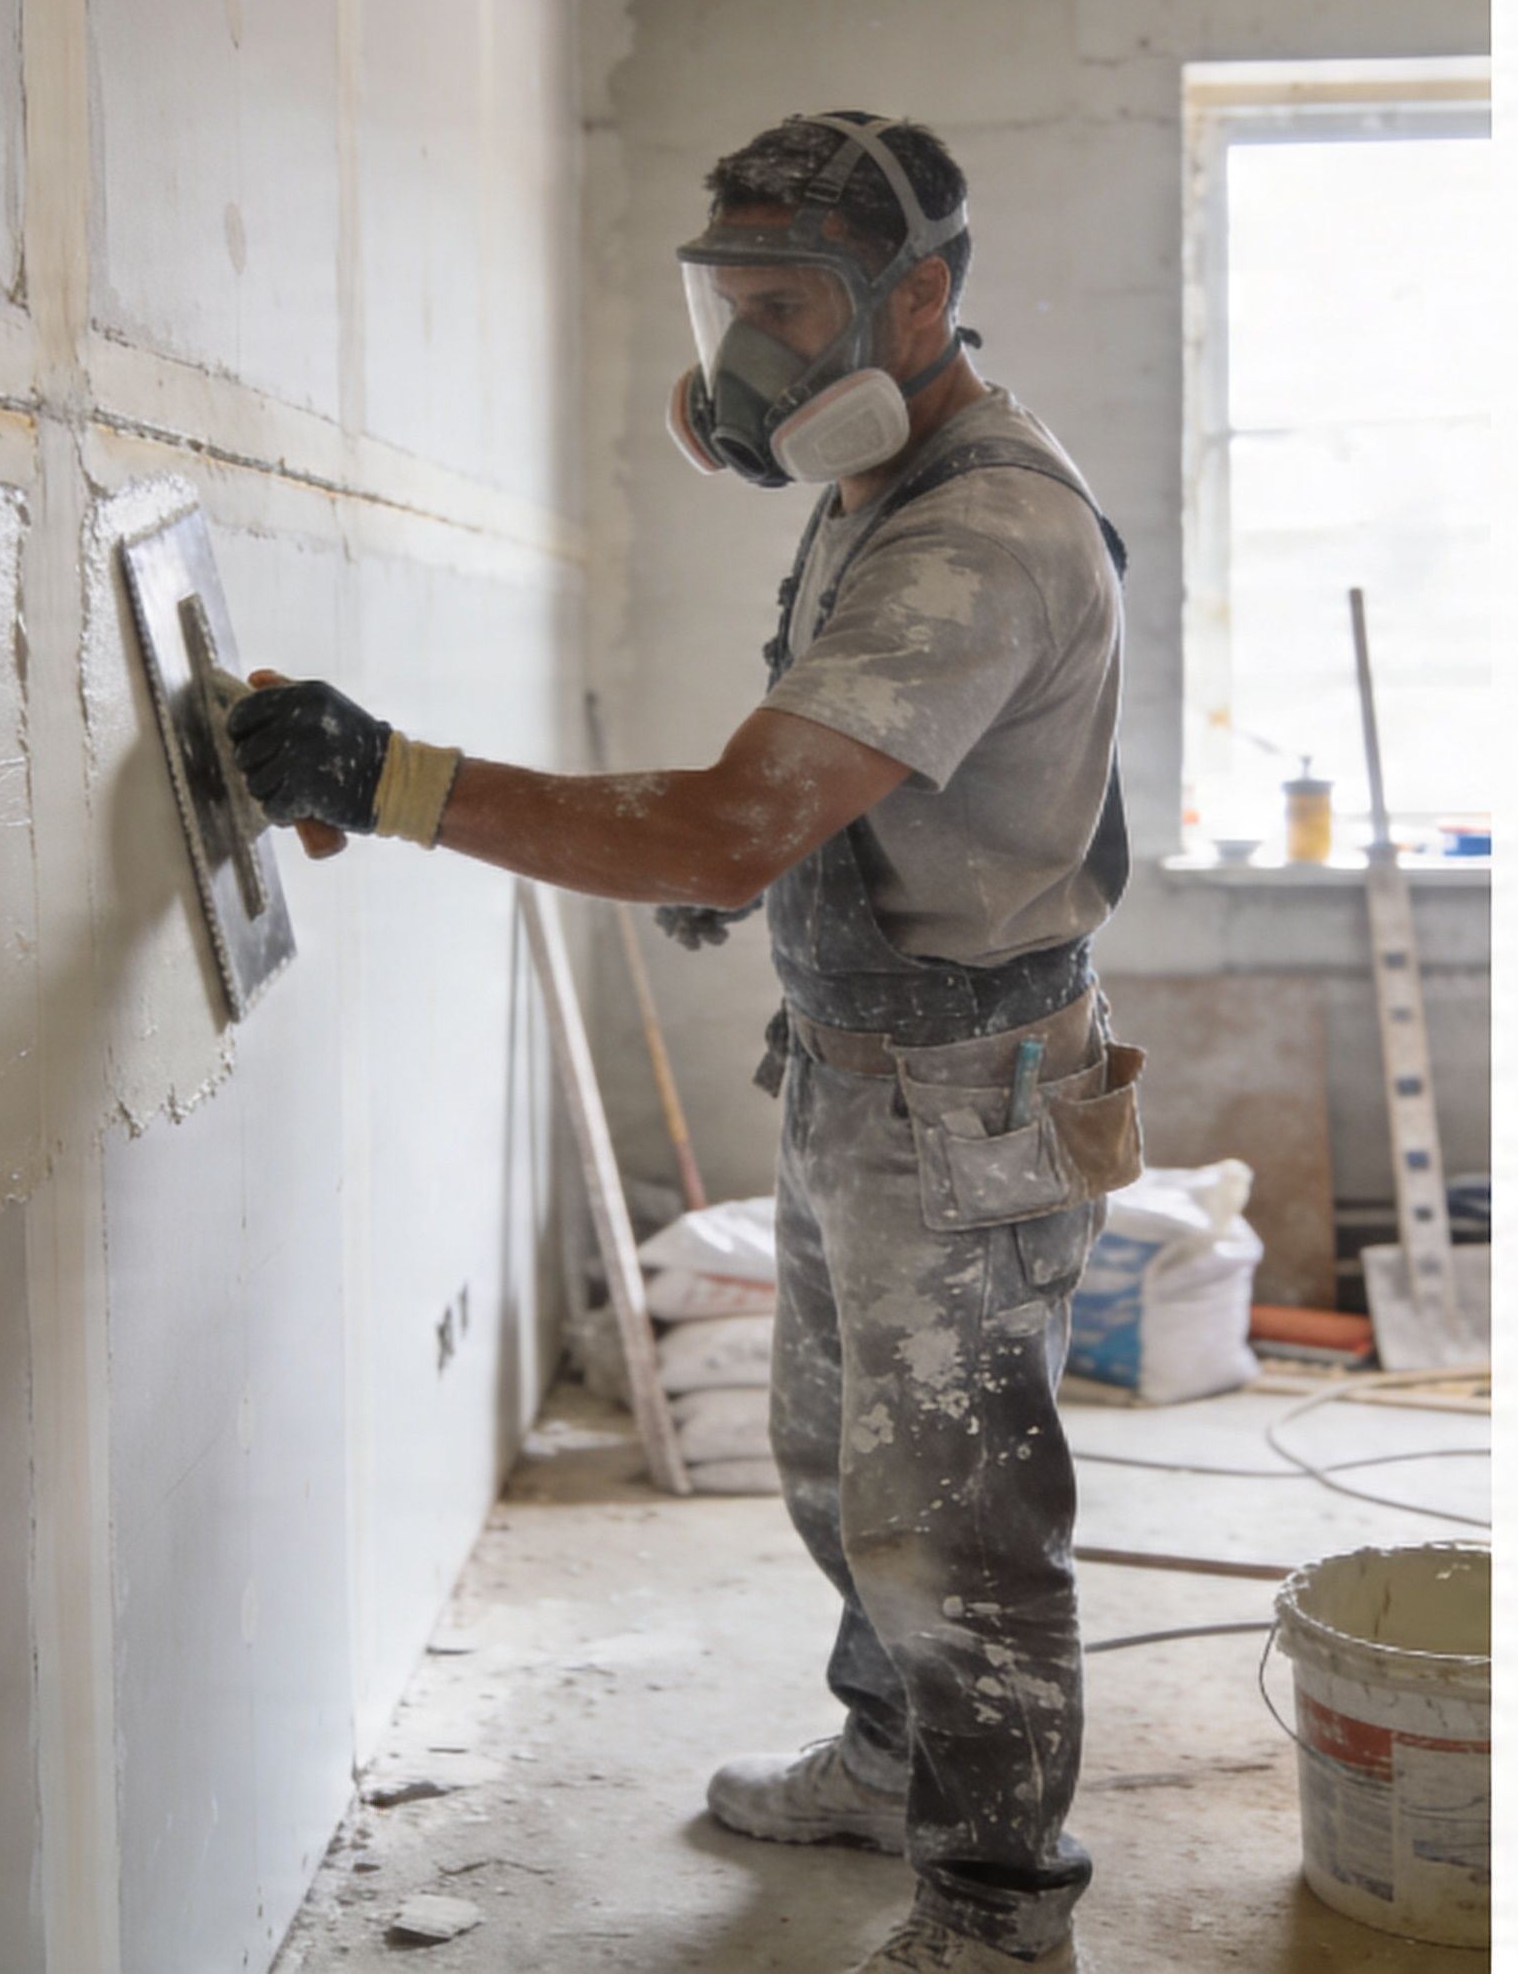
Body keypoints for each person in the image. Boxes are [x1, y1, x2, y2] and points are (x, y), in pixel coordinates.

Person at [226, 113, 1134, 1974]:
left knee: (957, 1530)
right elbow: (828, 781)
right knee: (837, 1465)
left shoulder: (982, 529)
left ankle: (997, 1912)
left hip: (965, 1096)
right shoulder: (874, 481)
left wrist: (389, 778)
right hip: (867, 1063)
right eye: (729, 307)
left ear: (920, 302)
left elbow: (728, 820)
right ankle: (890, 1762)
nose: (744, 363)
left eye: (788, 309)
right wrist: (783, 863)